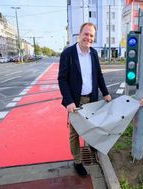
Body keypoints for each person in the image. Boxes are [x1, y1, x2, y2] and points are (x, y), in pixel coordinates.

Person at [58, 22, 112, 176]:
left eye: (91, 35)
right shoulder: (68, 54)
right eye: (86, 34)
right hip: (75, 101)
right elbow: (62, 79)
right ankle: (77, 161)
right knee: (75, 133)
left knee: (92, 125)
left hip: (92, 99)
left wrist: (106, 93)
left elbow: (99, 75)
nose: (88, 37)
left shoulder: (93, 54)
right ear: (79, 34)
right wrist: (69, 101)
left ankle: (92, 145)